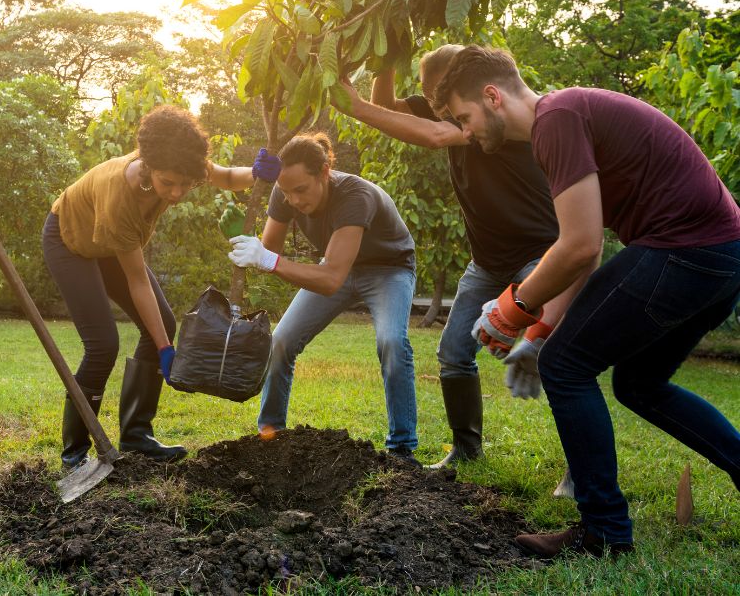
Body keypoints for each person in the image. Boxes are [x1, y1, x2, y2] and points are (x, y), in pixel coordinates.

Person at [435, 45, 740, 558]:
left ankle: (604, 532)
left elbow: (580, 246)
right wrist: (537, 334)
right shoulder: (562, 119)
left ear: (492, 96)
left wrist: (512, 310)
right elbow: (582, 251)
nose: (464, 133)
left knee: (569, 368)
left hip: (687, 248)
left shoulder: (556, 121)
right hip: (722, 254)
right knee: (637, 384)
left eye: (464, 118)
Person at [335, 46, 574, 478]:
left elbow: (431, 135)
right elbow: (386, 104)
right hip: (486, 262)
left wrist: (351, 106)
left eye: (440, 95)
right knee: (452, 353)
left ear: (461, 83)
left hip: (539, 253)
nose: (436, 106)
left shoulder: (482, 119)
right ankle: (466, 449)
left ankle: (580, 467)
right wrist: (389, 49)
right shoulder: (450, 111)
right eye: (430, 97)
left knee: (554, 355)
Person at [45, 105, 281, 468]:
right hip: (70, 242)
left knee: (162, 324)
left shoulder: (185, 163)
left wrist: (257, 172)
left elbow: (228, 178)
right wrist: (164, 349)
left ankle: (136, 436)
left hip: (108, 243)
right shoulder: (119, 192)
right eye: (168, 183)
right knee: (103, 345)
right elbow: (137, 282)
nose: (176, 193)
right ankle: (74, 452)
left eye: (186, 184)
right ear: (148, 164)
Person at [229, 133, 422, 465]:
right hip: (337, 266)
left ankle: (401, 449)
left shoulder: (355, 195)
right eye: (286, 192)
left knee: (392, 341)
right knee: (281, 341)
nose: (293, 200)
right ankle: (270, 434)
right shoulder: (284, 191)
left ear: (325, 172)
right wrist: (246, 246)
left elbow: (330, 279)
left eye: (301, 190)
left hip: (388, 269)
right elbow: (268, 252)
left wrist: (269, 260)